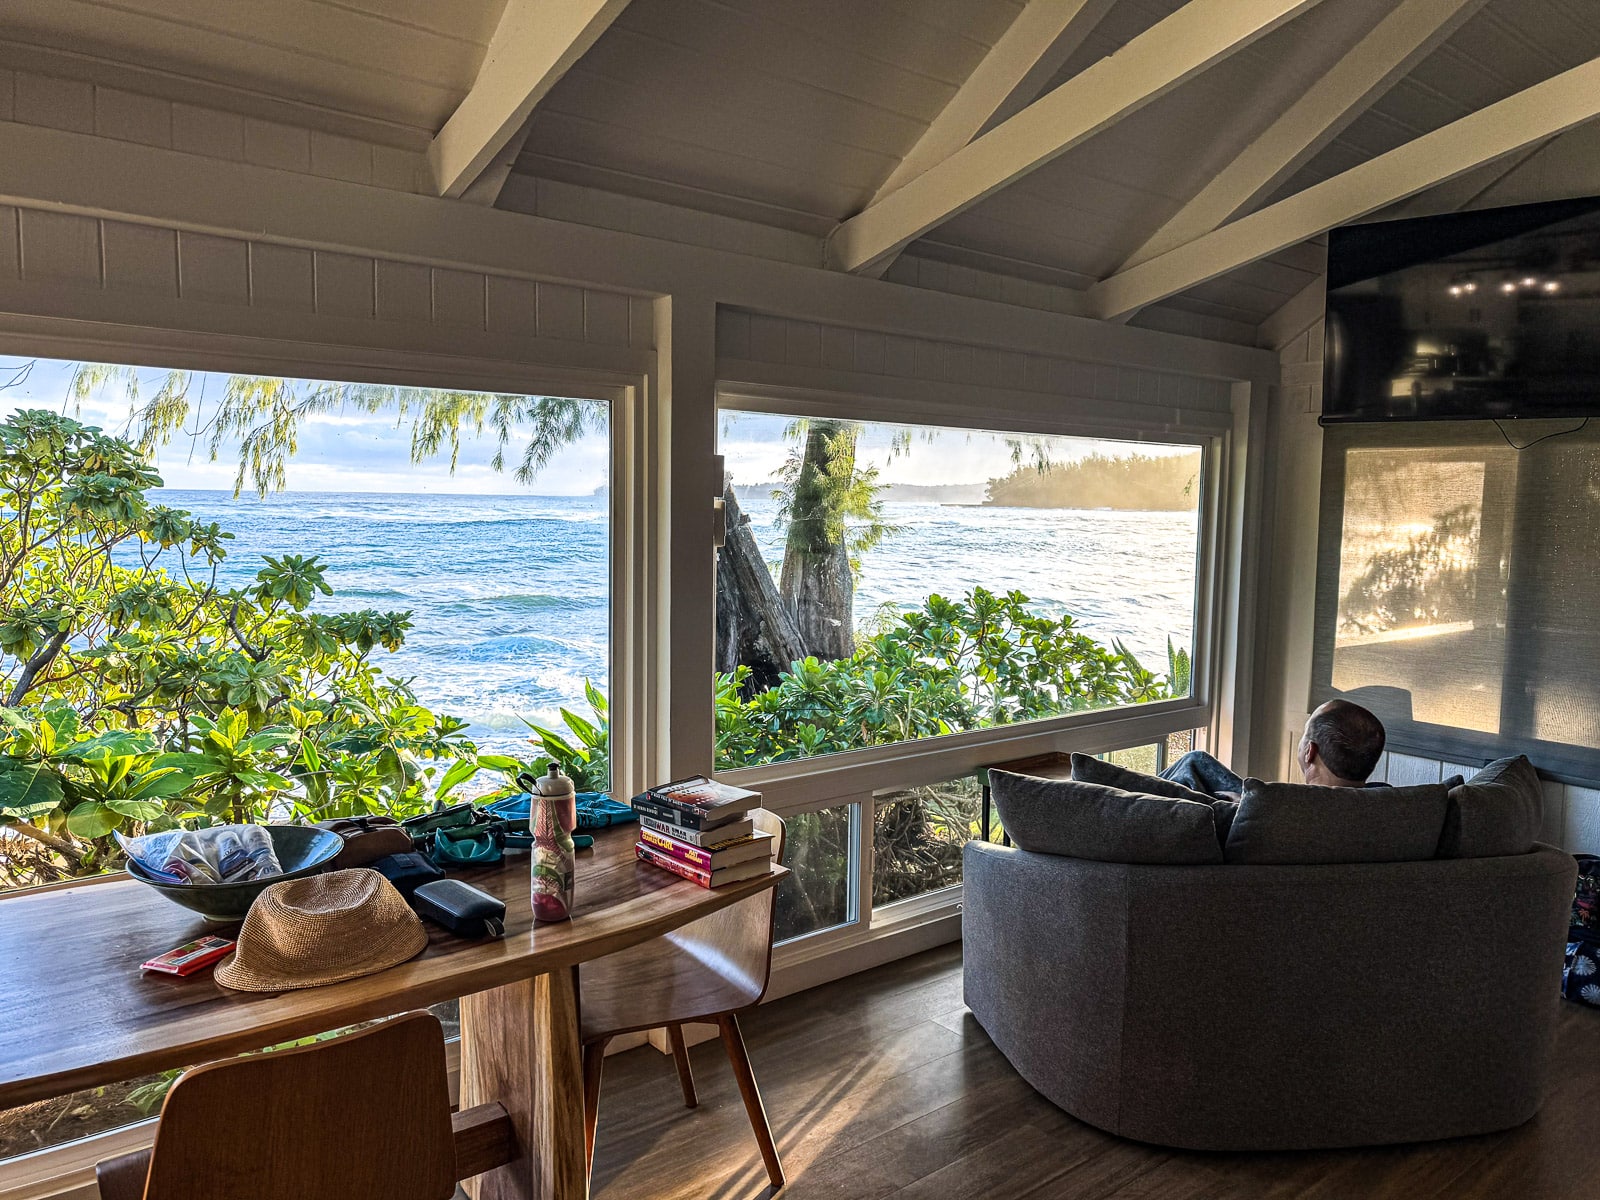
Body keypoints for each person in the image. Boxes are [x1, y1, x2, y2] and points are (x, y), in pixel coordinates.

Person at [1159, 698, 1387, 796]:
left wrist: (1244, 806)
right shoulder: (1389, 802)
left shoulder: (1267, 809)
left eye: (1305, 733)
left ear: (1310, 752)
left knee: (1193, 762)